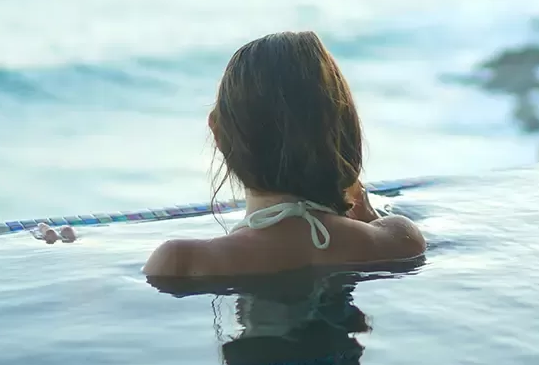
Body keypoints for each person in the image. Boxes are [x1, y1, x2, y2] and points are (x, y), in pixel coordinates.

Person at [142, 31, 426, 279]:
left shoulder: (181, 263)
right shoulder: (399, 241)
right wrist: (366, 214)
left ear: (218, 133)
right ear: (346, 132)